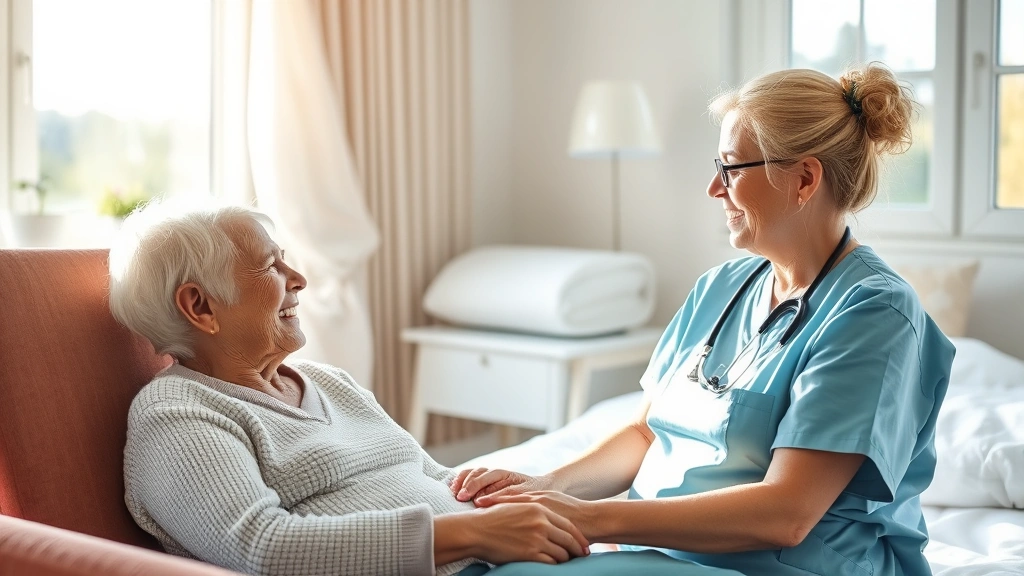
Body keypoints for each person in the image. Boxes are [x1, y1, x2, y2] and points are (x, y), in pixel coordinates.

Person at [452, 63, 955, 576]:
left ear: (804, 179)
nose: (714, 188)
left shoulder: (874, 313)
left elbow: (787, 514)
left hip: (777, 566)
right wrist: (547, 487)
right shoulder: (721, 287)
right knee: (470, 558)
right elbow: (645, 433)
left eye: (732, 168)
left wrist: (588, 518)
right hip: (654, 553)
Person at [111, 202, 592, 576]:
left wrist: (480, 492)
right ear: (200, 306)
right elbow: (262, 549)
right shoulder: (177, 415)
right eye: (269, 267)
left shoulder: (327, 381)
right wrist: (473, 533)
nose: (298, 279)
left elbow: (424, 474)